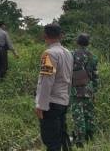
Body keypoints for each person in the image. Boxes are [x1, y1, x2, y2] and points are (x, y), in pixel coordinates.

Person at [35, 23, 73, 151]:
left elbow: (46, 81)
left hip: (51, 104)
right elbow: (69, 78)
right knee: (62, 136)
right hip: (63, 101)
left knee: (51, 141)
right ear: (60, 36)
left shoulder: (49, 54)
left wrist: (41, 105)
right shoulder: (68, 53)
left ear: (45, 35)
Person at [71, 33, 99, 148]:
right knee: (89, 114)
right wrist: (95, 90)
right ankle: (90, 136)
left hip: (76, 90)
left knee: (78, 115)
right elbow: (95, 76)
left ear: (77, 42)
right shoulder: (93, 56)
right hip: (89, 89)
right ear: (88, 43)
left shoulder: (72, 55)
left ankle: (80, 141)